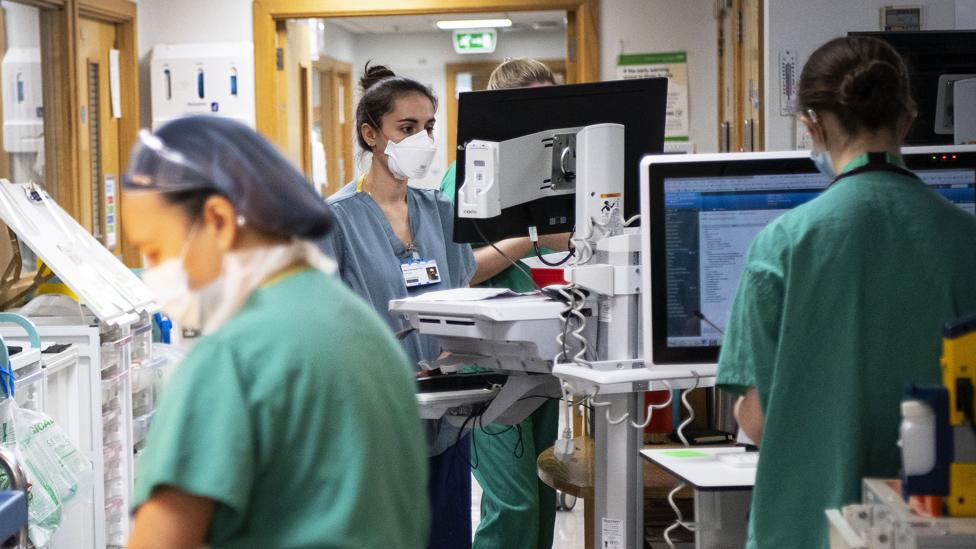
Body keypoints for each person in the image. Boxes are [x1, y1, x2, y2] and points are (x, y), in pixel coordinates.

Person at [715, 36, 976, 548]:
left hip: (806, 528)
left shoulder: (782, 245)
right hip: (941, 528)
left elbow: (758, 419)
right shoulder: (965, 240)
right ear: (908, 117)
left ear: (812, 125)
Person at [122, 116, 428, 549]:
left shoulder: (233, 354)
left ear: (218, 221)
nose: (154, 274)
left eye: (155, 250)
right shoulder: (365, 330)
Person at [319, 64, 476, 549]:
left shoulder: (443, 213)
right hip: (375, 427)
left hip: (446, 419)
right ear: (372, 135)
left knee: (447, 537)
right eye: (407, 129)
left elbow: (466, 301)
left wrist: (460, 358)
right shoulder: (335, 220)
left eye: (429, 127)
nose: (423, 140)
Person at [439, 57, 565, 549]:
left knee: (543, 490)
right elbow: (460, 270)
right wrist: (530, 237)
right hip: (486, 361)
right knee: (513, 502)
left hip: (544, 353)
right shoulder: (468, 175)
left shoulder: (552, 174)